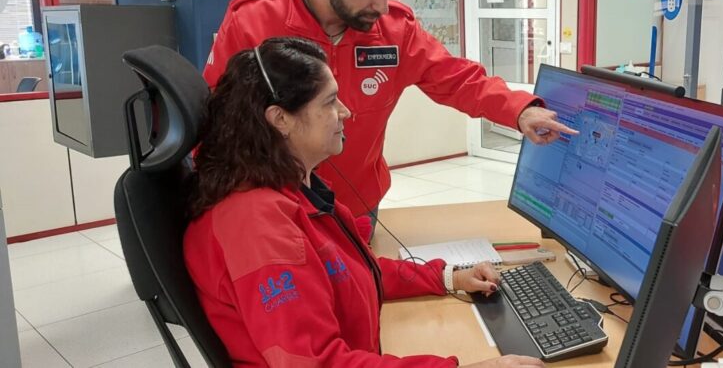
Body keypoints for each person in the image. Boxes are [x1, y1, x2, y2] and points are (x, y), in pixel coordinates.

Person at [202, 0, 576, 238]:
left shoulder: (394, 29)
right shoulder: (253, 21)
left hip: (359, 203)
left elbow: (456, 78)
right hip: (276, 204)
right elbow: (217, 119)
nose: (381, 6)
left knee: (361, 300)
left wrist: (520, 110)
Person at [185, 37, 545, 367]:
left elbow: (348, 271)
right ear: (280, 119)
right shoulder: (256, 225)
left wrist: (447, 275)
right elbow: (316, 364)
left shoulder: (290, 188)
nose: (346, 112)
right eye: (329, 102)